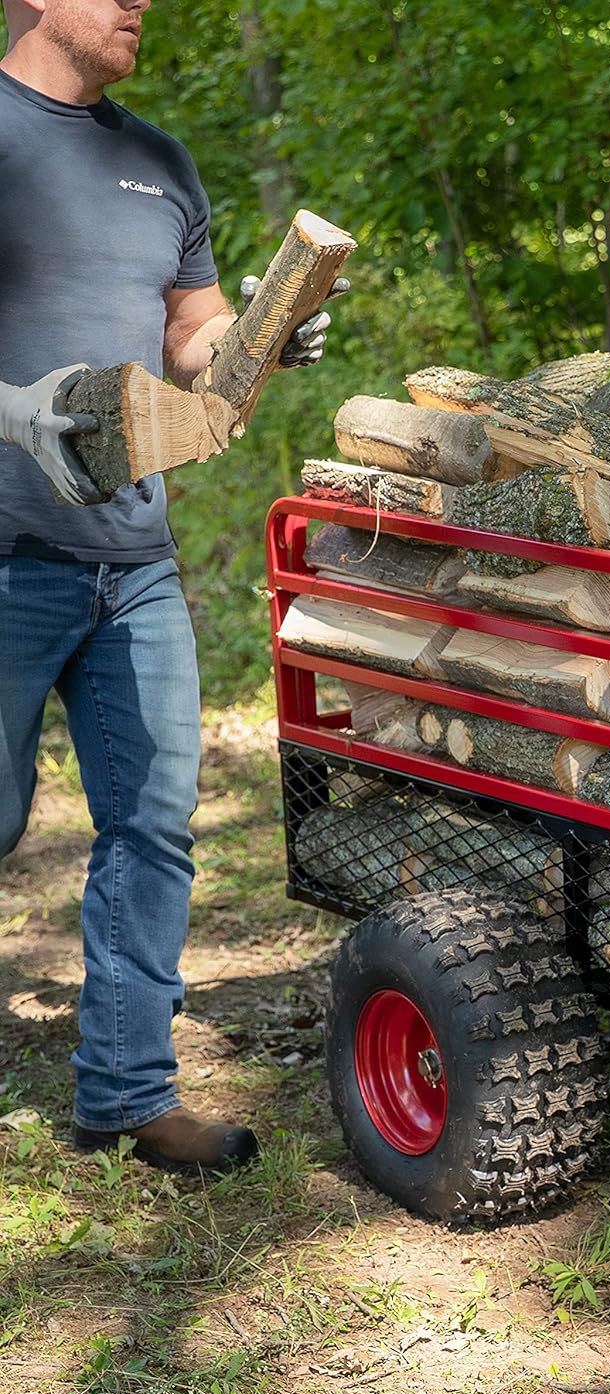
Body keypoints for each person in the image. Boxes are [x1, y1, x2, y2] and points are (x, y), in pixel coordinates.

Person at [0, 0, 344, 1173]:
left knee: (151, 832)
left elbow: (189, 337)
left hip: (133, 566)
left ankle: (128, 1095)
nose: (141, 1)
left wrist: (261, 331)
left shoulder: (159, 162)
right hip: (3, 558)